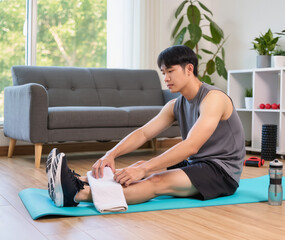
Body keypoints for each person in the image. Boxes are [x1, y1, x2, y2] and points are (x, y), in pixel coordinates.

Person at [46, 45, 246, 207]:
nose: (166, 78)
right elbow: (143, 133)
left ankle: (78, 194)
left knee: (155, 181)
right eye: (163, 72)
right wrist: (111, 154)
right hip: (197, 164)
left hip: (221, 172)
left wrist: (145, 171)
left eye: (171, 71)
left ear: (189, 69)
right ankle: (79, 180)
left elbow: (191, 145)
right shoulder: (176, 104)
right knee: (138, 166)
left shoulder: (213, 99)